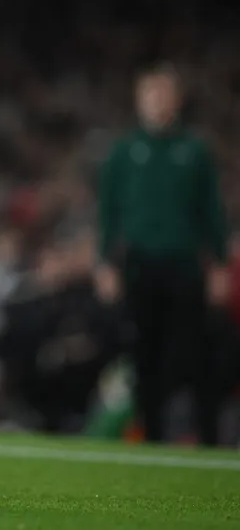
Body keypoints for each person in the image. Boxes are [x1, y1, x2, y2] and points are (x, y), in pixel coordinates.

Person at [96, 64, 230, 446]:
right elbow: (109, 212)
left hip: (185, 264)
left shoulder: (195, 150)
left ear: (177, 100)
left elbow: (212, 211)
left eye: (163, 95)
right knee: (144, 353)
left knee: (194, 352)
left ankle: (208, 437)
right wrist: (105, 263)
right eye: (150, 95)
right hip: (140, 265)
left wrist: (219, 264)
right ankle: (151, 435)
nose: (157, 103)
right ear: (139, 101)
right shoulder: (124, 151)